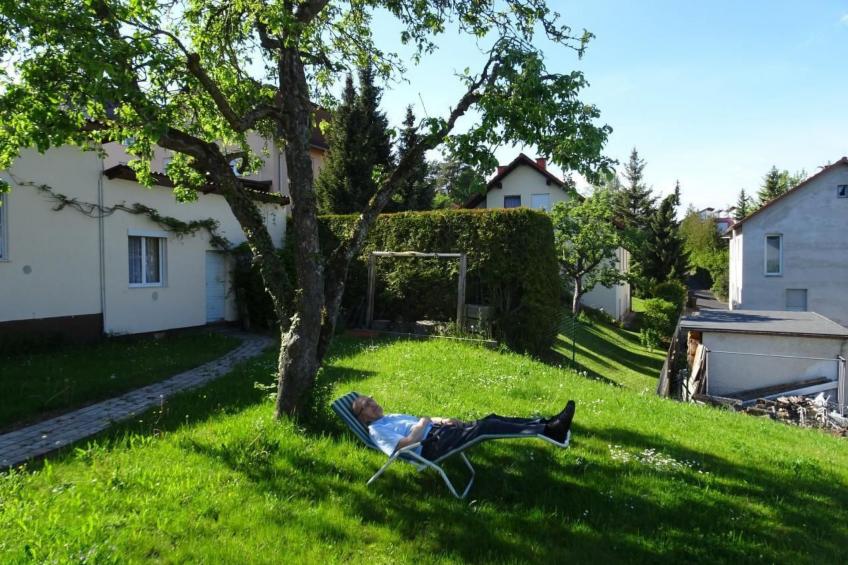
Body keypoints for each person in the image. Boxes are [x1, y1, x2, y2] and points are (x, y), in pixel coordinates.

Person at [352, 395, 576, 461]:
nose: (373, 405)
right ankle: (550, 432)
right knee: (488, 427)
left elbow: (423, 419)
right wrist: (423, 423)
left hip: (439, 432)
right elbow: (406, 445)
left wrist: (442, 419)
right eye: (367, 406)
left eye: (371, 401)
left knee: (491, 418)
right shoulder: (377, 431)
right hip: (431, 447)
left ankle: (548, 424)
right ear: (363, 417)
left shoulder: (389, 416)